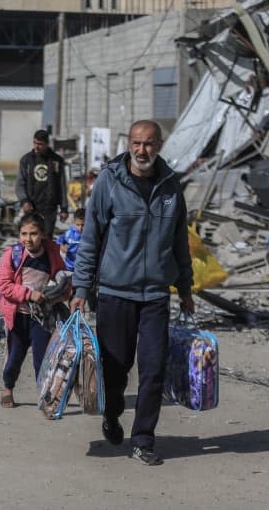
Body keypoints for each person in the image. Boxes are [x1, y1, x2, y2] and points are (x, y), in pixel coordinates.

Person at [70, 120, 194, 466]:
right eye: (137, 144)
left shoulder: (170, 186)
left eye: (150, 144)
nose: (142, 151)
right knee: (116, 367)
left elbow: (180, 241)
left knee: (153, 368)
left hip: (155, 294)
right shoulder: (110, 182)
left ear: (160, 145)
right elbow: (91, 238)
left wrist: (185, 286)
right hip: (114, 291)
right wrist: (81, 286)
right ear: (129, 143)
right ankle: (112, 413)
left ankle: (143, 439)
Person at [0, 212, 69, 409]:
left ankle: (45, 395)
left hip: (42, 317)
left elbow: (63, 279)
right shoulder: (13, 255)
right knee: (14, 356)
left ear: (43, 234)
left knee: (42, 357)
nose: (28, 238)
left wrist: (61, 293)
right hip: (17, 316)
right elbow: (3, 285)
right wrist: (29, 294)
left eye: (34, 233)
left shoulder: (52, 254)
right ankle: (8, 388)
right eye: (24, 233)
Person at [16, 129, 68, 237]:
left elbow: (62, 186)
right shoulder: (26, 161)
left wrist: (64, 208)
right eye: (35, 142)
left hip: (50, 208)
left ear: (47, 144)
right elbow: (20, 184)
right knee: (31, 237)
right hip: (31, 206)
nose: (37, 146)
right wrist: (24, 201)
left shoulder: (56, 161)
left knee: (46, 237)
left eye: (40, 144)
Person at [55, 207, 86, 271]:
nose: (80, 228)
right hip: (69, 264)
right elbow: (59, 240)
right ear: (73, 222)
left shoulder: (89, 234)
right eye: (77, 225)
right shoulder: (69, 233)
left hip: (83, 266)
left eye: (83, 225)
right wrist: (62, 246)